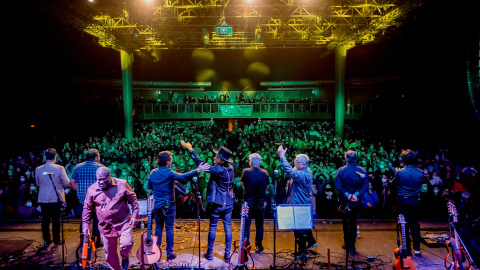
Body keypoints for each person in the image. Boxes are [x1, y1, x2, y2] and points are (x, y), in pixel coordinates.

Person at [147, 151, 210, 261]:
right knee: (169, 229)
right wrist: (197, 170)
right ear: (167, 161)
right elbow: (183, 177)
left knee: (158, 228)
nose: (171, 162)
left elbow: (149, 187)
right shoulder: (169, 172)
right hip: (169, 205)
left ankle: (156, 253)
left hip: (157, 205)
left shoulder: (152, 172)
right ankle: (169, 254)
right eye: (170, 159)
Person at [181, 140, 235, 262]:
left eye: (218, 157)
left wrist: (191, 150)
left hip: (218, 203)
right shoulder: (230, 168)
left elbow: (201, 164)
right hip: (229, 203)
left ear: (222, 160)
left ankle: (209, 254)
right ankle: (227, 256)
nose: (215, 157)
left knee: (213, 227)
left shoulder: (218, 169)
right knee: (228, 228)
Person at [82, 167, 139, 270]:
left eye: (103, 179)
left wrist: (135, 216)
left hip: (122, 221)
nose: (100, 182)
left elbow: (133, 199)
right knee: (110, 255)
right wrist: (85, 225)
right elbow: (87, 208)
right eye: (98, 179)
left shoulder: (122, 184)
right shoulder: (92, 189)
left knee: (127, 243)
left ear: (110, 176)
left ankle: (125, 257)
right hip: (105, 225)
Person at [277, 145, 317, 257]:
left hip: (299, 205)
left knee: (298, 228)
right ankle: (312, 241)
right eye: (295, 161)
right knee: (303, 225)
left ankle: (302, 251)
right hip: (300, 203)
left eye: (297, 162)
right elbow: (293, 170)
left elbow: (291, 172)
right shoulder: (304, 169)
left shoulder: (304, 174)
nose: (295, 163)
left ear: (304, 164)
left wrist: (282, 157)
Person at [335, 150, 369, 253]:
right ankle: (352, 245)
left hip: (345, 201)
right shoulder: (362, 170)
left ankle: (347, 244)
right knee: (353, 221)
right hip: (356, 201)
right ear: (356, 158)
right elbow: (365, 186)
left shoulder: (341, 170)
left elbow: (338, 185)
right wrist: (356, 194)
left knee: (346, 223)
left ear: (346, 158)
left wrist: (347, 195)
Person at [35, 148, 70, 246]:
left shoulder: (38, 169)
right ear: (55, 157)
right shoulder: (59, 168)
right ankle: (56, 241)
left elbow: (37, 183)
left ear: (45, 157)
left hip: (43, 198)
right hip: (56, 197)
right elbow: (66, 182)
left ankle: (46, 240)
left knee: (45, 219)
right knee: (56, 219)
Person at [70, 148, 104, 246]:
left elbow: (72, 182)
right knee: (97, 220)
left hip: (83, 199)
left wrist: (80, 190)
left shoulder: (78, 167)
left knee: (84, 220)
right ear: (96, 157)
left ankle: (83, 241)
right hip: (97, 198)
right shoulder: (101, 167)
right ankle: (96, 241)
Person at [392, 149, 423, 256]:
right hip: (415, 200)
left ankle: (407, 248)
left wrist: (396, 173)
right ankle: (417, 249)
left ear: (403, 160)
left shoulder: (399, 172)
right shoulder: (421, 172)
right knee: (415, 223)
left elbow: (394, 185)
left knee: (403, 224)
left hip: (403, 200)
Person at [240, 153, 270, 253]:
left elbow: (242, 185)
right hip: (261, 202)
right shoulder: (265, 173)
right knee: (260, 224)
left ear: (251, 162)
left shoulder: (246, 171)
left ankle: (245, 243)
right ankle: (259, 245)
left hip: (249, 201)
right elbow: (267, 187)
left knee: (247, 224)